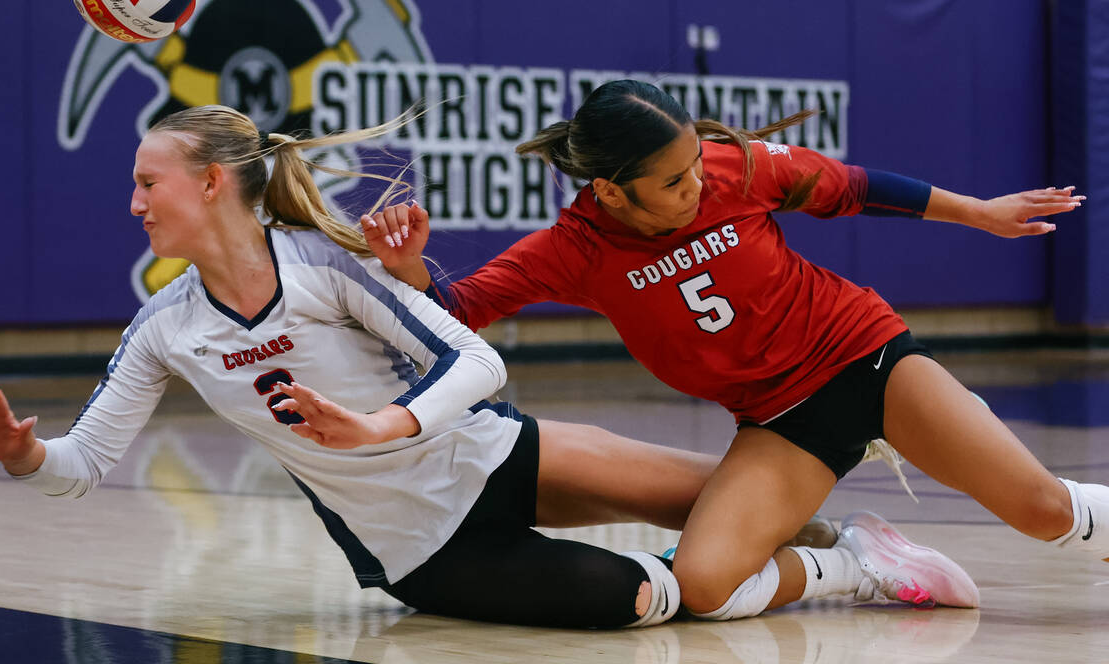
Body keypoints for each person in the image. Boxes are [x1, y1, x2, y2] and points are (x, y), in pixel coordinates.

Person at [0, 104, 851, 631]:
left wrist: (383, 424)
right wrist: (23, 455)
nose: (133, 200)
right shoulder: (164, 328)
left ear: (212, 183)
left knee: (762, 513)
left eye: (150, 182)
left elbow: (476, 360)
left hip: (491, 455)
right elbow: (82, 468)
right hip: (423, 549)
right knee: (660, 596)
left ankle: (854, 551)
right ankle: (857, 577)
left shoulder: (322, 264)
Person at [361, 78, 1107, 620]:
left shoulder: (730, 167)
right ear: (613, 192)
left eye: (694, 165)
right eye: (672, 179)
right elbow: (455, 314)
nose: (696, 184)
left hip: (866, 360)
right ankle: (856, 564)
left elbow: (851, 188)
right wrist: (408, 272)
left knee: (1043, 510)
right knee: (707, 584)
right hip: (781, 422)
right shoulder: (573, 249)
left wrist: (978, 212)